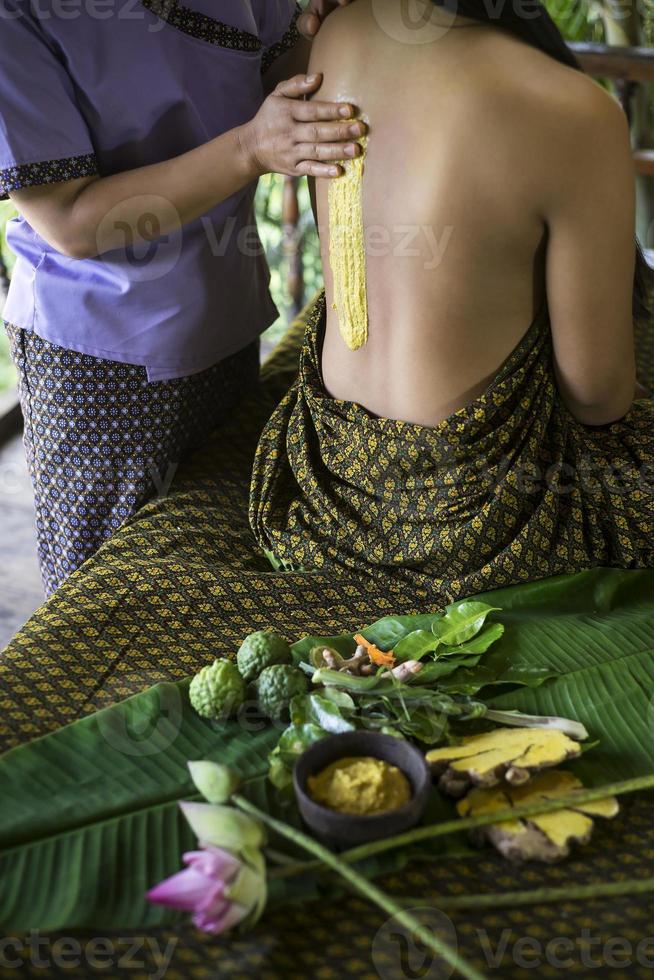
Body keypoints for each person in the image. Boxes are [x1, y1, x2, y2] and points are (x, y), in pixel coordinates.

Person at [250, 0, 654, 600]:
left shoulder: (340, 34)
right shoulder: (573, 109)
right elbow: (597, 398)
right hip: (477, 528)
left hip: (326, 485)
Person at [0, 0, 357, 596]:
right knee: (114, 600)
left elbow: (290, 70)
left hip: (223, 315)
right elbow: (71, 218)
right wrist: (249, 149)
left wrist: (336, 26)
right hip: (102, 362)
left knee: (222, 564)